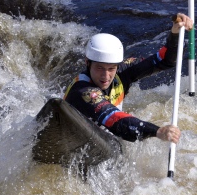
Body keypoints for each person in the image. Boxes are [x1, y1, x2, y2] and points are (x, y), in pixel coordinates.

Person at [64, 13, 193, 144]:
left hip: (104, 131)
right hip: (75, 136)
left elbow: (165, 60)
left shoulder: (123, 71)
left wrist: (175, 34)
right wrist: (157, 131)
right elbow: (114, 119)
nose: (106, 76)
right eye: (99, 68)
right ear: (87, 62)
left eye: (111, 69)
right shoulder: (82, 91)